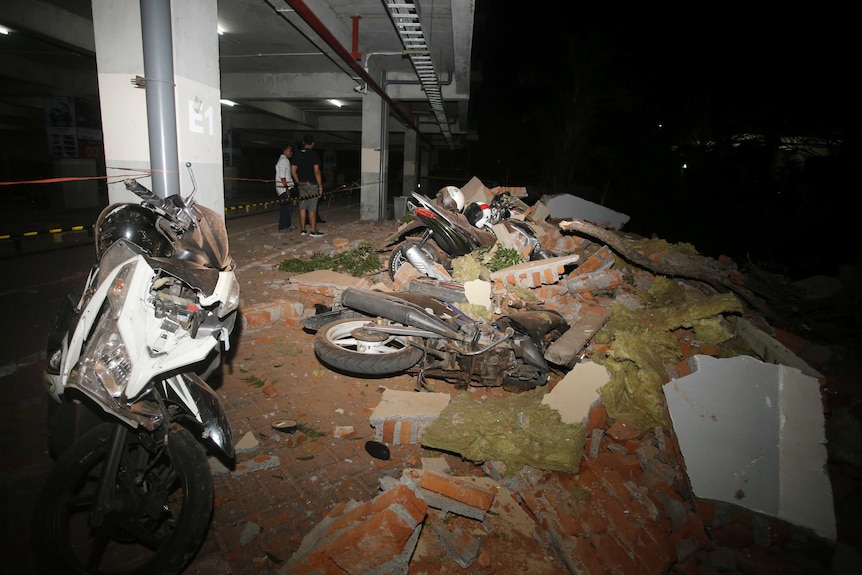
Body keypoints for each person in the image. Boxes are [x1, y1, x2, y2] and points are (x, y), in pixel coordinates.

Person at [290, 134, 324, 237]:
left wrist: (298, 181)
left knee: (302, 207)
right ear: (312, 143)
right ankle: (313, 231)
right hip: (312, 184)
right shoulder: (314, 154)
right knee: (312, 208)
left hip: (302, 184)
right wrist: (320, 186)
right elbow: (317, 171)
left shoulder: (297, 154)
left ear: (304, 142)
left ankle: (303, 230)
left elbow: (293, 170)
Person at [274, 144, 295, 231]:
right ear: (285, 151)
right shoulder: (284, 161)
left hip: (283, 188)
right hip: (283, 188)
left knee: (287, 207)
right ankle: (284, 226)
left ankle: (286, 225)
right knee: (286, 208)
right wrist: (286, 188)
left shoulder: (284, 160)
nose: (291, 153)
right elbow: (282, 177)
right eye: (290, 151)